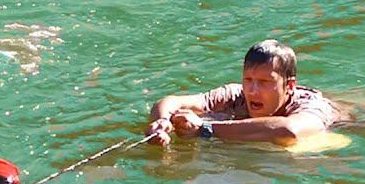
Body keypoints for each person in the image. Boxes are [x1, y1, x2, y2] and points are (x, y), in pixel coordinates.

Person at [146, 39, 342, 147]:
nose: (252, 91)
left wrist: (205, 129)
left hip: (347, 119)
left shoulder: (311, 106)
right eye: (248, 80)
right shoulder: (235, 95)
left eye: (264, 82)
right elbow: (170, 102)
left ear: (290, 86)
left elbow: (288, 131)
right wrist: (162, 122)